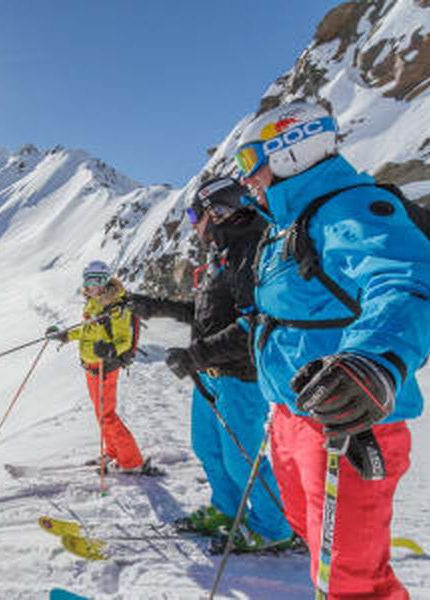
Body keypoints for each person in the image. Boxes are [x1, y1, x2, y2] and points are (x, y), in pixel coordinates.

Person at [234, 100, 430, 599]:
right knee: (315, 546)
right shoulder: (289, 225)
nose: (246, 179)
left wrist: (372, 362)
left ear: (289, 149)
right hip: (292, 415)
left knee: (351, 583)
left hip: (347, 420)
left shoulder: (347, 207)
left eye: (248, 161)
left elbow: (409, 280)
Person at [128, 177, 292, 550]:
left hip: (239, 376)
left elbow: (254, 325)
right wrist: (156, 306)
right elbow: (204, 315)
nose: (192, 224)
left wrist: (194, 356)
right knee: (208, 448)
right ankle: (227, 511)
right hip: (209, 374)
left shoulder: (250, 252)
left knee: (242, 459)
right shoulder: (221, 254)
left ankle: (273, 529)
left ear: (219, 210)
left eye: (194, 214)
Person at [46, 260, 148, 474]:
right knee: (100, 413)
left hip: (105, 368)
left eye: (97, 280)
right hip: (91, 367)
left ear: (106, 280)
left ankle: (132, 461)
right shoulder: (93, 302)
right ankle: (113, 451)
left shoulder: (116, 306)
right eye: (88, 280)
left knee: (107, 415)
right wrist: (65, 335)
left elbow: (124, 341)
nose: (92, 285)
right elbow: (86, 330)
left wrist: (110, 349)